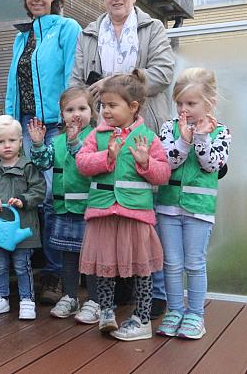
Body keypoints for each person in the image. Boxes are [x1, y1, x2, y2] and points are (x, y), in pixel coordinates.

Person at [70, 0, 175, 318]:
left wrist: (117, 81)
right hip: (101, 129)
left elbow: (163, 73)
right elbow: (78, 81)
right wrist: (90, 99)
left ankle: (155, 293)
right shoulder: (89, 33)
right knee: (108, 209)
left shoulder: (152, 28)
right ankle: (112, 295)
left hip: (141, 128)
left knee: (146, 207)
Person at [75, 71, 171, 341]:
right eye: (103, 105)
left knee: (141, 269)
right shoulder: (96, 135)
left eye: (112, 105)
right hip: (103, 213)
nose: (105, 111)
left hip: (135, 215)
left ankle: (142, 319)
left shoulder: (148, 138)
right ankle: (106, 312)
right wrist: (108, 155)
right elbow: (82, 163)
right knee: (104, 266)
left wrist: (145, 163)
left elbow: (163, 174)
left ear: (133, 107)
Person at [5, 0, 82, 305]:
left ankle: (56, 274)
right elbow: (12, 85)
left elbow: (71, 74)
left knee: (51, 198)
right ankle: (38, 267)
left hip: (54, 125)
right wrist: (10, 122)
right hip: (26, 124)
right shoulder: (21, 38)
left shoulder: (67, 28)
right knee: (32, 197)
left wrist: (69, 119)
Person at [155, 68, 231, 340]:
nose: (184, 110)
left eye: (191, 103)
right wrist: (183, 141)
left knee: (195, 263)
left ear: (209, 103)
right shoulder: (169, 128)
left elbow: (211, 165)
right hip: (167, 208)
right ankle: (175, 310)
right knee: (172, 263)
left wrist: (200, 137)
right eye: (179, 103)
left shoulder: (221, 132)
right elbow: (166, 162)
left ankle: (196, 315)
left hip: (199, 209)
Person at [27, 86, 100, 324]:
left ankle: (94, 300)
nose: (75, 114)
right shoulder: (57, 141)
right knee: (68, 257)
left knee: (91, 258)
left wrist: (74, 141)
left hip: (89, 210)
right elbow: (43, 162)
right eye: (70, 110)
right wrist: (37, 145)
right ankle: (70, 296)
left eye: (82, 108)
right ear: (62, 114)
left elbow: (86, 163)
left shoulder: (96, 138)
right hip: (64, 209)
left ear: (92, 111)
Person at [0, 115, 45, 320]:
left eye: (12, 141)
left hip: (22, 227)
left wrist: (24, 200)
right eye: (1, 142)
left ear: (20, 141)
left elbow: (39, 189)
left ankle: (26, 299)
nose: (7, 145)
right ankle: (1, 297)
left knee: (22, 265)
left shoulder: (28, 166)